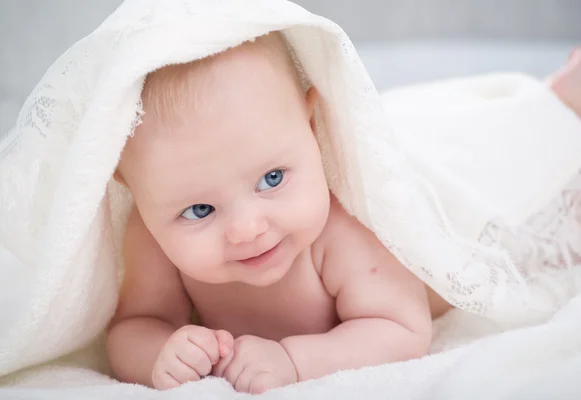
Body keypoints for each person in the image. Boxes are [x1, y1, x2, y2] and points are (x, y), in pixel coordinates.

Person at [106, 32, 443, 394]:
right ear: (135, 191)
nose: (246, 229)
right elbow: (133, 327)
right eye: (199, 210)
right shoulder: (152, 233)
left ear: (312, 127)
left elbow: (405, 329)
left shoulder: (346, 225)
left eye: (272, 179)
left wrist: (294, 361)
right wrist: (159, 355)